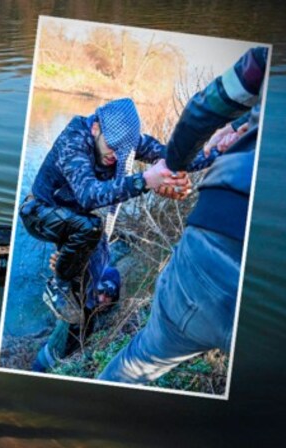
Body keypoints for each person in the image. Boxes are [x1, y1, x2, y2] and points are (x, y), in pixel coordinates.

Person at [98, 47, 268, 384]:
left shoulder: (267, 61)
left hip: (219, 241)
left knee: (137, 362)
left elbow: (202, 113)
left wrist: (169, 168)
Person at [19, 98, 217, 322]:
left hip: (73, 217)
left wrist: (214, 150)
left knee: (97, 260)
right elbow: (88, 195)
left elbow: (173, 158)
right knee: (91, 228)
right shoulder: (73, 140)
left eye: (123, 150)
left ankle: (84, 313)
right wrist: (144, 180)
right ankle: (57, 285)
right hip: (40, 211)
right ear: (96, 128)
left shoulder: (127, 142)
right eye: (112, 146)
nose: (116, 155)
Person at [31, 238, 121, 372]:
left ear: (115, 295)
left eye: (109, 293)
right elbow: (60, 295)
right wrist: (62, 276)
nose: (102, 298)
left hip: (68, 362)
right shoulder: (79, 302)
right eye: (100, 290)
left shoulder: (114, 313)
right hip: (47, 359)